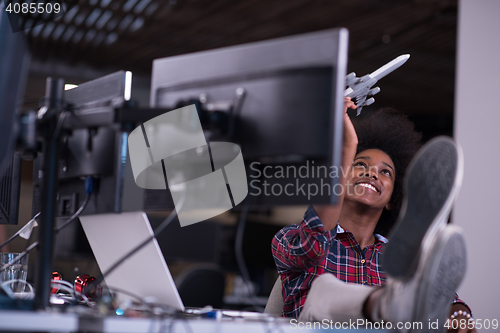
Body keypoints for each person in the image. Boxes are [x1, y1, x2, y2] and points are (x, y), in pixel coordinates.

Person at [271, 98, 475, 333]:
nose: (372, 174)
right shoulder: (289, 238)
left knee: (421, 280)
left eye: (385, 172)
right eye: (360, 165)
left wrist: (459, 317)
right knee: (322, 291)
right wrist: (348, 147)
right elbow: (310, 248)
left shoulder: (400, 256)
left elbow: (448, 300)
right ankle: (391, 303)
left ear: (392, 200)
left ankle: (398, 303)